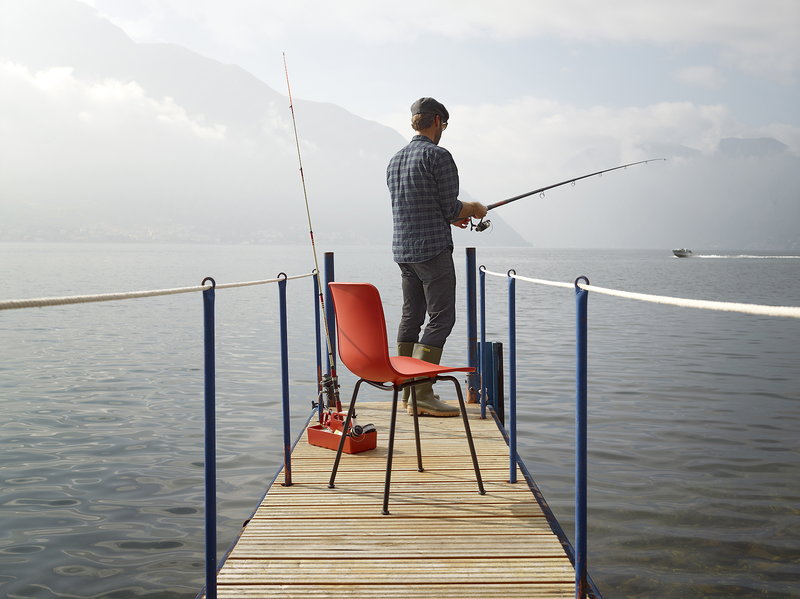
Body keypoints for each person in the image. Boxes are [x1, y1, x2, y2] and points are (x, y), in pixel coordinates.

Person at [386, 97, 487, 417]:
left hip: (403, 252)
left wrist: (451, 216)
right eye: (444, 124)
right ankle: (421, 394)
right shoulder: (438, 155)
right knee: (442, 318)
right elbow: (450, 207)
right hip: (432, 251)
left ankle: (407, 391)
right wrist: (473, 208)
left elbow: (420, 205)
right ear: (437, 122)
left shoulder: (395, 159)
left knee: (411, 318)